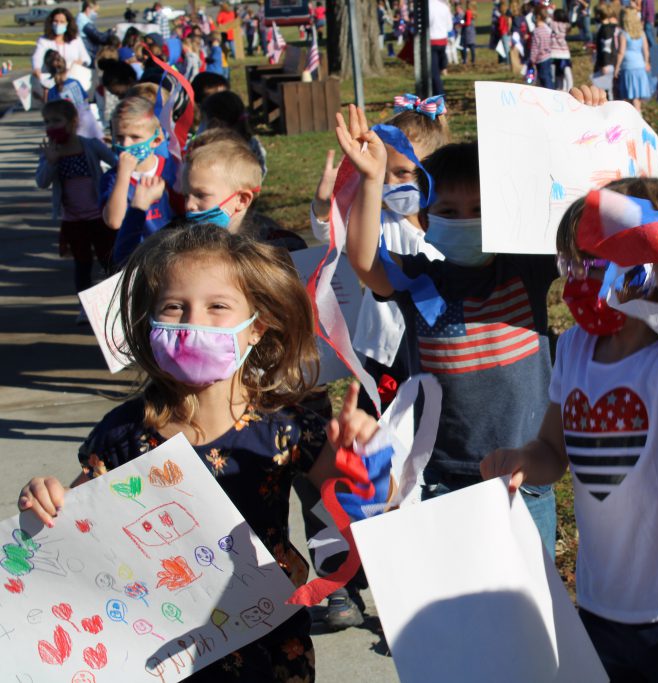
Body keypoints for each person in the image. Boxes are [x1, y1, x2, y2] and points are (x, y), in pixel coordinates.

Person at [16, 223, 384, 682]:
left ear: (256, 328)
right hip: (157, 646)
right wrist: (44, 497)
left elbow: (360, 493)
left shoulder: (285, 428)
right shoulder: (124, 435)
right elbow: (74, 522)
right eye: (174, 307)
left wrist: (363, 450)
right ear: (147, 323)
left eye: (217, 307)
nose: (194, 322)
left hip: (269, 644)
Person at [338, 89, 627, 558]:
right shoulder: (420, 279)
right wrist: (370, 181)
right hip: (443, 480)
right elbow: (366, 259)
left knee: (529, 600)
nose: (465, 220)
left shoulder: (525, 266)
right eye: (449, 213)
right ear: (426, 218)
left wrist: (583, 129)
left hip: (527, 473)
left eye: (479, 210)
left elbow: (588, 226)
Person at [481, 176, 658, 681]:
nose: (580, 280)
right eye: (572, 265)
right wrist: (522, 462)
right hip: (601, 600)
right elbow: (553, 450)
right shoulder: (574, 347)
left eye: (596, 265)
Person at [305, 101, 449, 630]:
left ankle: (405, 589)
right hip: (378, 365)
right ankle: (340, 580)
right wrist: (333, 201)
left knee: (413, 475)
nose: (394, 182)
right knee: (356, 466)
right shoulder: (377, 215)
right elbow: (340, 239)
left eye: (406, 172)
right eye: (386, 171)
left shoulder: (450, 226)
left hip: (432, 366)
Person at [36, 99, 118, 313]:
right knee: (82, 264)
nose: (51, 126)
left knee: (108, 260)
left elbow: (116, 163)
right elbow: (42, 182)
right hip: (73, 219)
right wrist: (51, 161)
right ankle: (85, 306)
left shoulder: (89, 145)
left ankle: (117, 302)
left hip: (99, 216)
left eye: (57, 120)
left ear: (73, 122)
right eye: (47, 121)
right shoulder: (50, 151)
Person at [101, 96, 181, 264]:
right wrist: (123, 174)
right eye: (120, 137)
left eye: (135, 137)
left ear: (156, 140)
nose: (126, 144)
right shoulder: (112, 178)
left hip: (169, 257)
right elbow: (114, 221)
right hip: (131, 260)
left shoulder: (171, 168)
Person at [199, 91, 268, 178]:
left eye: (203, 120)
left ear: (214, 124)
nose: (200, 126)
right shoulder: (254, 144)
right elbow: (261, 172)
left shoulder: (214, 151)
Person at [44, 49, 103, 139]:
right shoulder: (75, 83)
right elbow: (85, 100)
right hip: (85, 123)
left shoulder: (51, 90)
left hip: (65, 129)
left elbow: (49, 111)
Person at [32, 8, 91, 97]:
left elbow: (87, 59)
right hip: (52, 83)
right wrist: (37, 70)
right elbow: (37, 58)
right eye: (56, 21)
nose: (58, 24)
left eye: (62, 22)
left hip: (72, 81)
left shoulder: (76, 40)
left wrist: (79, 62)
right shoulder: (44, 41)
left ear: (67, 23)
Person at [615, 7, 651, 111]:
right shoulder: (641, 33)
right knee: (637, 98)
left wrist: (617, 67)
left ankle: (636, 120)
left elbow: (621, 52)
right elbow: (646, 49)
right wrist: (647, 62)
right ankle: (638, 117)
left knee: (631, 98)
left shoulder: (623, 34)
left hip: (628, 67)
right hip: (640, 66)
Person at [428, 0, 453, 95]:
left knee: (434, 73)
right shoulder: (444, 7)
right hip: (443, 40)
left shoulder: (428, 7)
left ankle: (439, 95)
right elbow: (449, 26)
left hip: (432, 40)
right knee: (438, 70)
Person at [529, 1, 555, 88]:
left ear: (537, 17)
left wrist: (532, 59)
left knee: (544, 78)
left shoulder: (537, 31)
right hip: (548, 56)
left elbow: (535, 47)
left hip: (541, 59)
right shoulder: (547, 29)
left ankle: (549, 93)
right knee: (549, 77)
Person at [551, 8, 574, 90]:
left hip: (553, 54)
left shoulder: (552, 24)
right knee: (567, 75)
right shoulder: (566, 26)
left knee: (556, 76)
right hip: (564, 54)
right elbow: (571, 24)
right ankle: (568, 90)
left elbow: (547, 18)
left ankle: (557, 89)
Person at [462, 0, 478, 64]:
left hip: (467, 30)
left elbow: (467, 22)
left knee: (465, 46)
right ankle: (473, 60)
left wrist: (462, 23)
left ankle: (465, 60)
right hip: (472, 30)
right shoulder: (474, 12)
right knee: (472, 46)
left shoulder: (468, 12)